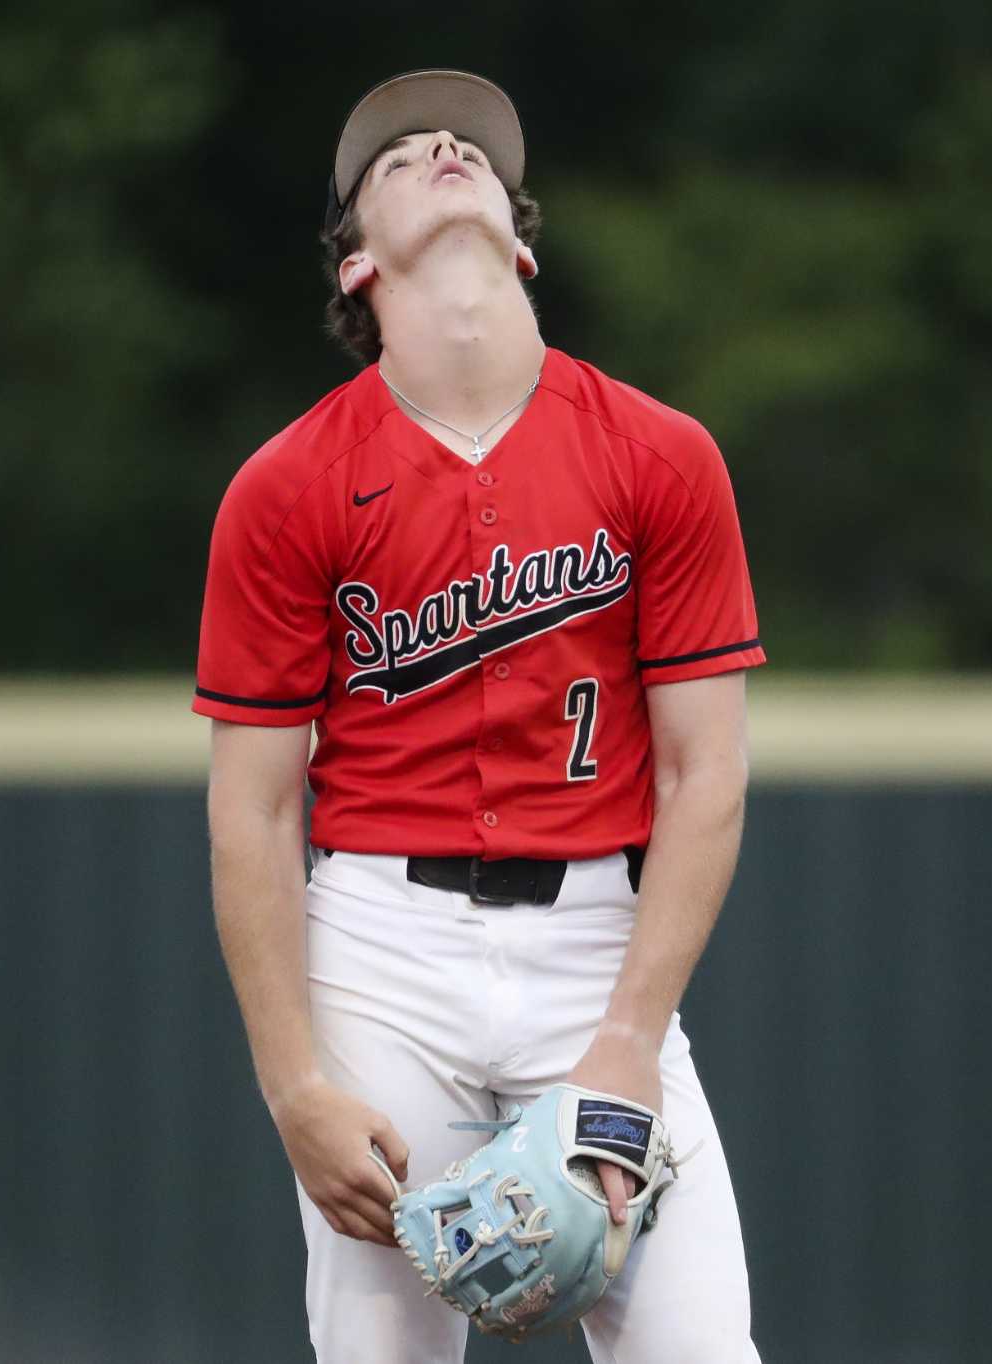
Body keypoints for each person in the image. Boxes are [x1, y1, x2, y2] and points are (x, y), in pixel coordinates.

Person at [193, 68, 765, 1363]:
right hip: (380, 950)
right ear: (354, 273)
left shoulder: (661, 456)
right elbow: (254, 806)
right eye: (399, 159)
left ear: (518, 239)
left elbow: (706, 779)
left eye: (468, 149)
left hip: (596, 952)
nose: (443, 146)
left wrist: (626, 1043)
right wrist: (295, 1083)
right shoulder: (286, 490)